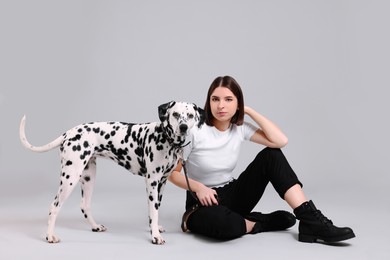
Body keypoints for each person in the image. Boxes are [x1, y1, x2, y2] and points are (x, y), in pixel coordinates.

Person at [168, 75, 355, 243]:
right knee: (227, 226)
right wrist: (199, 188)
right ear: (208, 102)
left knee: (271, 155)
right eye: (215, 99)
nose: (221, 106)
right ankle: (259, 222)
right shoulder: (194, 131)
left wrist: (248, 111)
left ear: (237, 103)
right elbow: (172, 174)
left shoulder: (239, 128)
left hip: (233, 194)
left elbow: (280, 141)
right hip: (200, 201)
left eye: (228, 100)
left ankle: (309, 219)